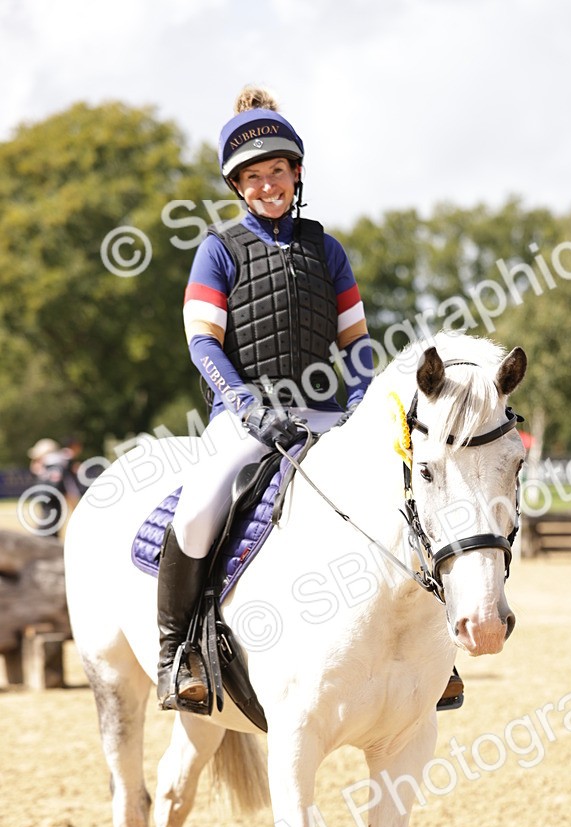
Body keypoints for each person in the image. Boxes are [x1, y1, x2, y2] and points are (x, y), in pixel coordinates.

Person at [156, 85, 374, 710]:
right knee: (198, 509)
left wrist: (361, 403)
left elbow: (357, 342)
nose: (267, 185)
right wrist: (246, 405)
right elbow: (203, 343)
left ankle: (430, 647)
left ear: (296, 173)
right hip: (244, 415)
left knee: (401, 489)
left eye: (276, 171)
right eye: (252, 177)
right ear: (238, 187)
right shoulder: (217, 250)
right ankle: (178, 653)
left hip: (323, 414)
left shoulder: (327, 249)